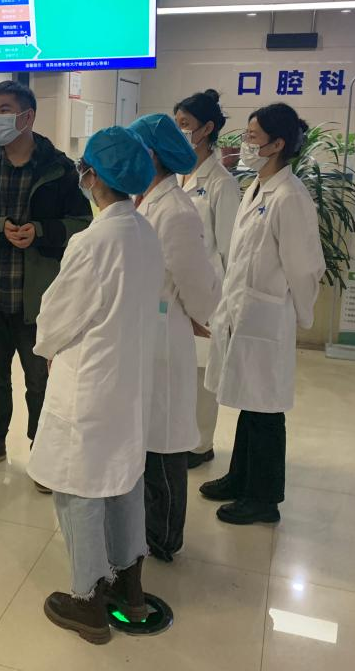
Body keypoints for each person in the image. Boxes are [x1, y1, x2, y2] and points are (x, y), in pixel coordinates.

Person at [28, 126, 165, 645]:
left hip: (89, 381)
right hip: (128, 382)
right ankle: (129, 584)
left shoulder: (94, 241)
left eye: (84, 167)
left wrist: (45, 346)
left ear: (96, 178)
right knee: (122, 479)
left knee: (79, 488)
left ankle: (87, 601)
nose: (81, 175)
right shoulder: (144, 231)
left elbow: (59, 314)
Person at [0, 81, 92, 481]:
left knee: (40, 380)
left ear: (27, 116)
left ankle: (42, 450)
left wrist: (41, 232)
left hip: (38, 300)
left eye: (4, 110)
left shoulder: (59, 169)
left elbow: (82, 221)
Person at [200, 104, 325, 525]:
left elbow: (304, 267)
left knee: (266, 407)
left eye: (253, 137)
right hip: (244, 312)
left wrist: (297, 314)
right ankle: (240, 477)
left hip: (267, 316)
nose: (245, 143)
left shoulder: (290, 197)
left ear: (277, 144)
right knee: (248, 400)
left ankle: (264, 498)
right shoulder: (258, 187)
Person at [130, 113, 222, 563]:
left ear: (149, 156)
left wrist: (198, 316)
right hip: (145, 334)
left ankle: (165, 537)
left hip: (166, 338)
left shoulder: (177, 212)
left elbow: (198, 286)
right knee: (147, 437)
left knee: (164, 441)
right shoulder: (146, 201)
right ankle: (145, 528)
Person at [174, 90, 241, 468]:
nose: (180, 131)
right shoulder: (176, 174)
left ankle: (201, 445)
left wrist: (225, 309)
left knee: (202, 374)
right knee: (179, 369)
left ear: (207, 128)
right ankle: (181, 436)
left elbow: (232, 250)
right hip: (176, 291)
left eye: (185, 124)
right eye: (176, 124)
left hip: (209, 294)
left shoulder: (221, 182)